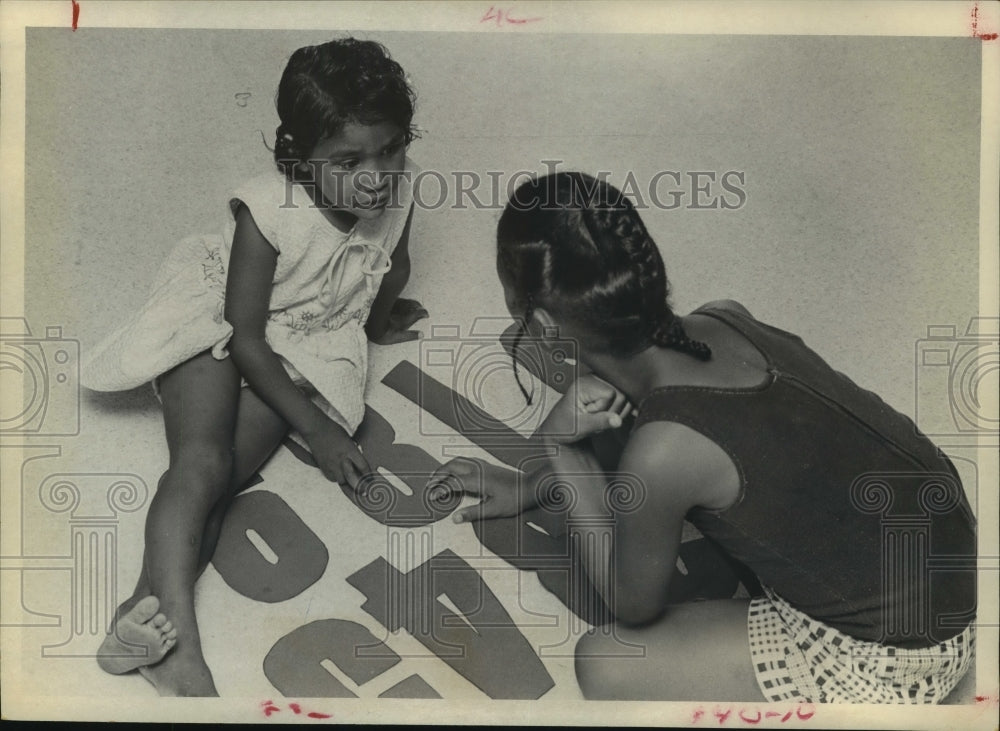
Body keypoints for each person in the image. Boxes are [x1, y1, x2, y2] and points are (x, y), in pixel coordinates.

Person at [429, 172, 976, 703]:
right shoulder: (725, 317)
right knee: (633, 433)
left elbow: (632, 603)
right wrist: (534, 487)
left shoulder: (665, 448)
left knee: (606, 662)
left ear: (544, 323)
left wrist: (561, 448)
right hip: (956, 546)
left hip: (907, 653)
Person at [81, 38, 427, 696]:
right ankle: (179, 642)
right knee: (203, 462)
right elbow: (244, 335)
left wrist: (378, 320)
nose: (376, 175)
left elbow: (394, 262)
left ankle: (139, 615)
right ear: (299, 155)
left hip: (303, 343)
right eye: (348, 160)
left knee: (225, 480)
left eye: (390, 148)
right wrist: (320, 432)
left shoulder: (398, 189)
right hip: (225, 321)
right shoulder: (269, 212)